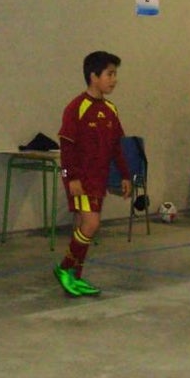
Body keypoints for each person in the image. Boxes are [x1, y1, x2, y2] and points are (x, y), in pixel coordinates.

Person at [54, 51, 130, 297]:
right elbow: (66, 147)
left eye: (115, 74)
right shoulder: (76, 107)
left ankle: (76, 276)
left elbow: (116, 147)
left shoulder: (110, 109)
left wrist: (126, 175)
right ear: (93, 76)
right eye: (110, 74)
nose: (114, 79)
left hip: (99, 178)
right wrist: (71, 177)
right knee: (91, 224)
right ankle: (64, 269)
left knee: (84, 225)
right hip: (80, 178)